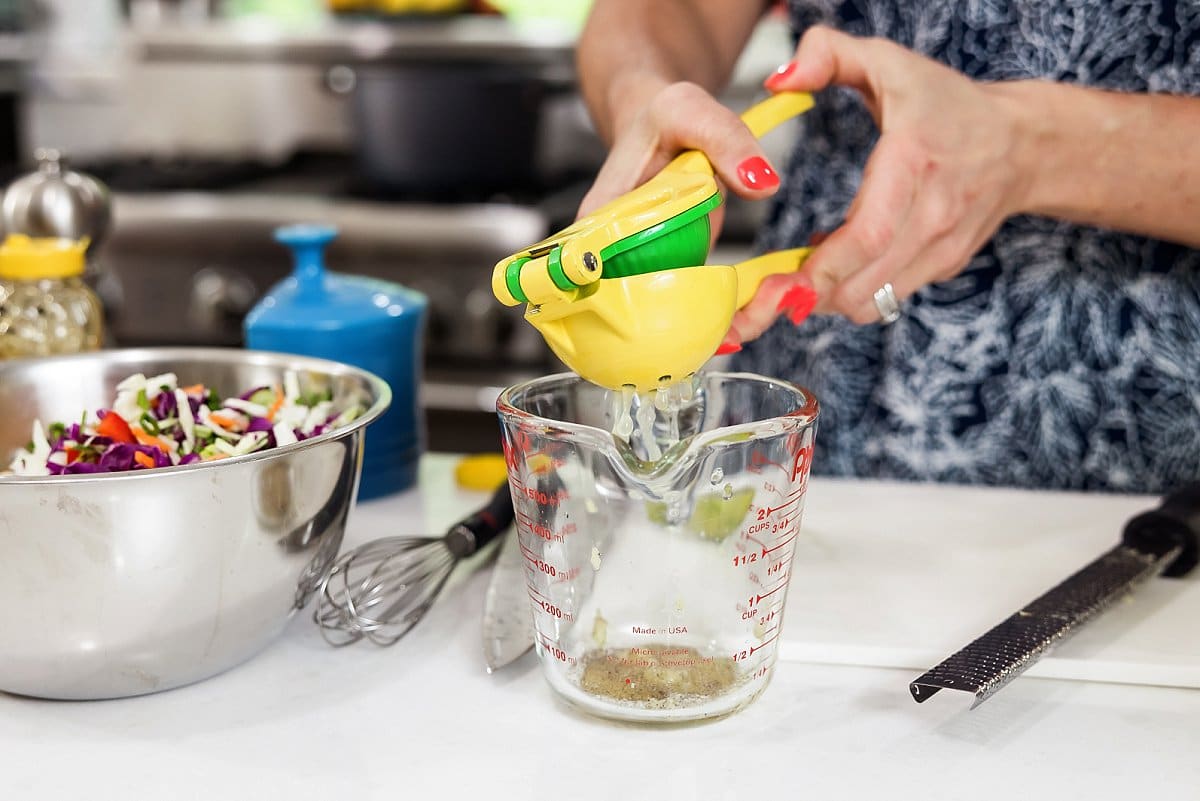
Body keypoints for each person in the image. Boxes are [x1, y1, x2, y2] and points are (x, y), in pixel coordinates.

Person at [574, 0, 1200, 493]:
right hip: (809, 376)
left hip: (1136, 470)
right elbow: (666, 11)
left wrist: (1031, 147)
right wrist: (643, 98)